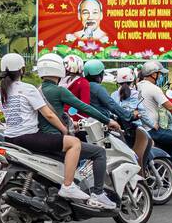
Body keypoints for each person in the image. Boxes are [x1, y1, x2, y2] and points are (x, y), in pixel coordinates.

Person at [0, 53, 98, 206]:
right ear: (22, 70)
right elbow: (48, 114)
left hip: (9, 138)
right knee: (74, 143)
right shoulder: (28, 88)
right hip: (28, 137)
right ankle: (68, 186)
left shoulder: (0, 90)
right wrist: (64, 130)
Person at [34, 53, 121, 207]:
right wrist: (108, 120)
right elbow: (84, 107)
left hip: (39, 138)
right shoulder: (59, 90)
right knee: (98, 152)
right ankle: (98, 193)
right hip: (56, 139)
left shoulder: (37, 90)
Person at [84, 59, 149, 162]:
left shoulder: (83, 86)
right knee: (126, 152)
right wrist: (130, 116)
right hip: (103, 125)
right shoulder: (98, 88)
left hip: (88, 124)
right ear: (99, 75)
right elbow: (112, 106)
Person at [111, 67, 156, 161]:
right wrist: (153, 125)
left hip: (119, 129)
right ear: (132, 80)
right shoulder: (136, 94)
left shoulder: (114, 94)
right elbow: (142, 113)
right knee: (150, 145)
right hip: (135, 129)